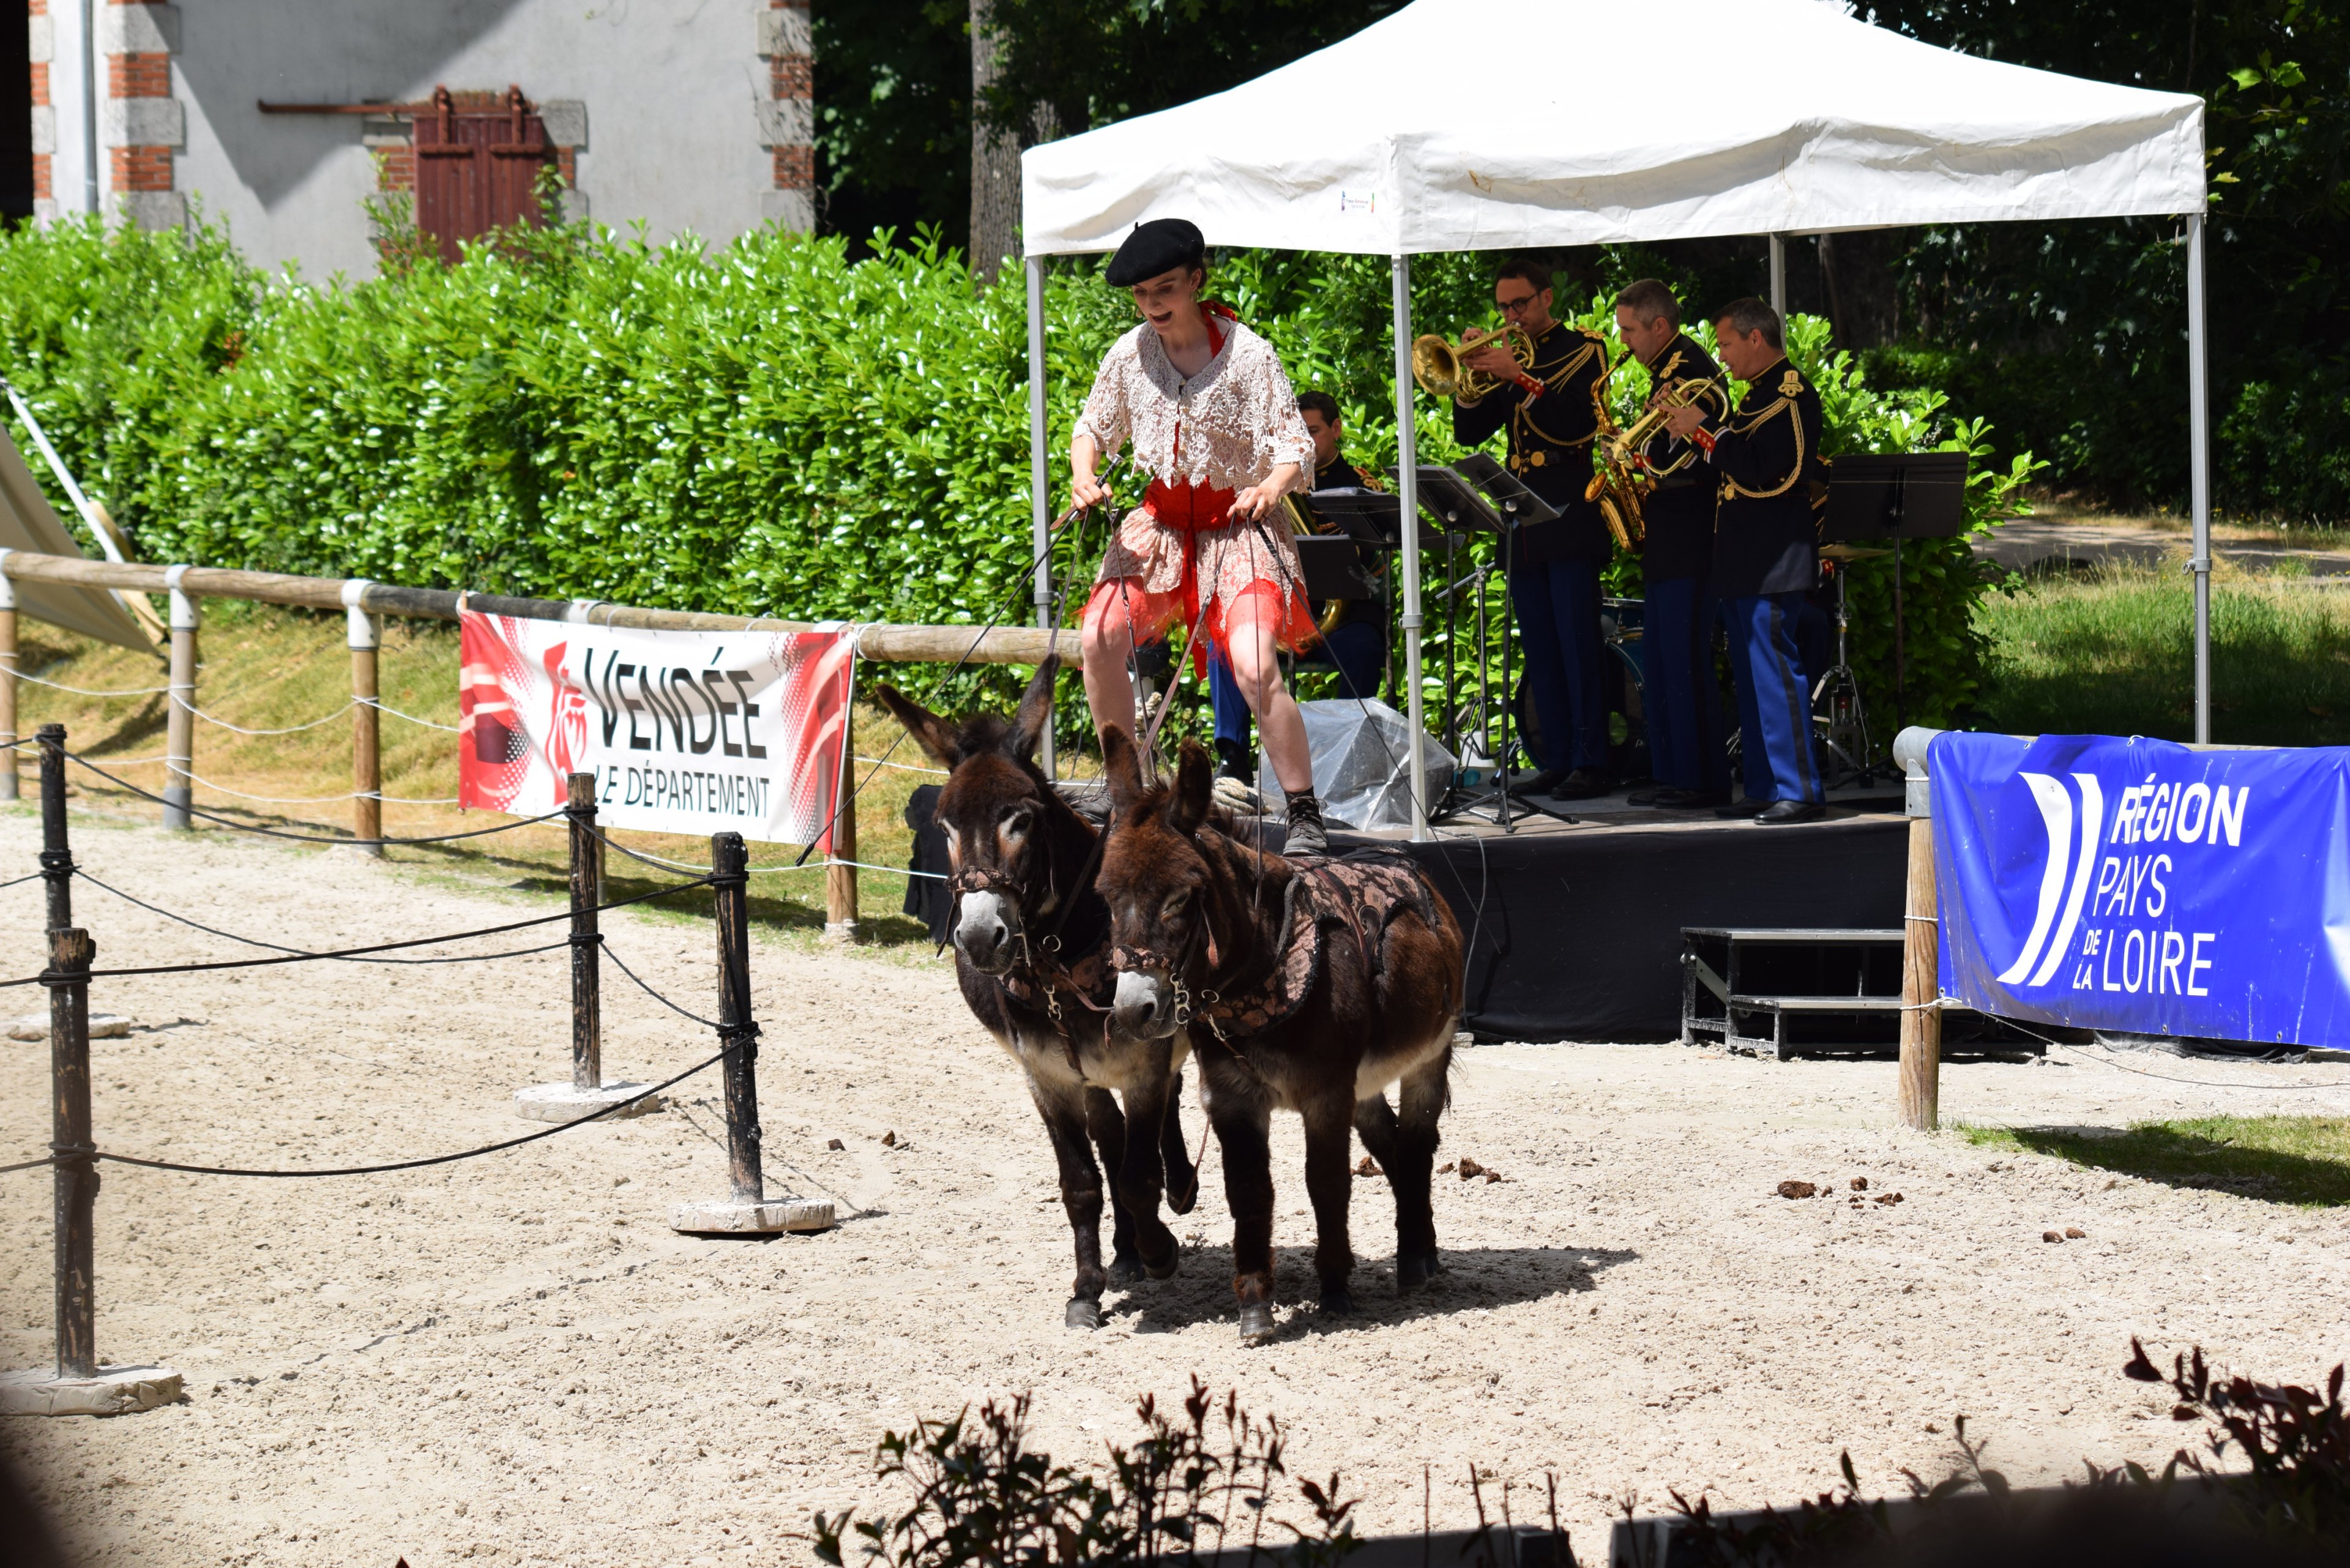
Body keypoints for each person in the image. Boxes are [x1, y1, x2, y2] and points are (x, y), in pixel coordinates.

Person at [1069, 218, 1332, 854]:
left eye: (1165, 288)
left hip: (1238, 527)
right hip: (1161, 527)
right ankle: (1123, 788)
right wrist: (1083, 477)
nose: (1152, 303)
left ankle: (1304, 813)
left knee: (1254, 667)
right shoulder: (1128, 354)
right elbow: (1092, 429)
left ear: (1196, 280)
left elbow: (1296, 447)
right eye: (1141, 294)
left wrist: (1271, 487)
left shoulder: (1250, 355)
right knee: (1098, 637)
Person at [1452, 259, 1617, 801]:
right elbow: (1470, 432)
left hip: (1569, 508)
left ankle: (1592, 761)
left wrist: (1518, 378)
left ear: (1547, 297)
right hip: (1521, 516)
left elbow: (1578, 424)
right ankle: (1557, 756)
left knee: (1577, 641)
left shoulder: (1584, 349)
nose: (1511, 315)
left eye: (1519, 304)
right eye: (1503, 306)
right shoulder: (1509, 352)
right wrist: (1468, 381)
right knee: (1541, 647)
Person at [1663, 297, 1827, 824]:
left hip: (1772, 556)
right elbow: (1732, 462)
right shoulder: (1757, 394)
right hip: (1743, 558)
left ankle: (1799, 790)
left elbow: (1771, 470)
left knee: (1775, 675)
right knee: (1754, 680)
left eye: (1727, 344)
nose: (1722, 356)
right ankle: (1764, 785)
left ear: (1756, 338)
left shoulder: (1789, 393)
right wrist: (1689, 429)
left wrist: (1707, 431)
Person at [1206, 391, 1386, 779]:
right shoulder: (1269, 484)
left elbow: (1379, 564)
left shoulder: (1361, 485)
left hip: (1345, 618)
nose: (1304, 441)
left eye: (1313, 431)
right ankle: (1233, 758)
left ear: (1336, 429)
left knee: (1365, 647)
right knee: (1223, 646)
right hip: (1287, 617)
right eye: (1295, 433)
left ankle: (1350, 758)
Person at [1612, 278, 1731, 810]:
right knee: (1663, 658)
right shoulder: (1666, 369)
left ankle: (1699, 779)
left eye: (1630, 330)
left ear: (1660, 326)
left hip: (1690, 533)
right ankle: (1673, 773)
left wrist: (1639, 457)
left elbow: (1686, 460)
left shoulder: (1690, 370)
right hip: (1669, 533)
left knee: (1683, 658)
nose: (1624, 341)